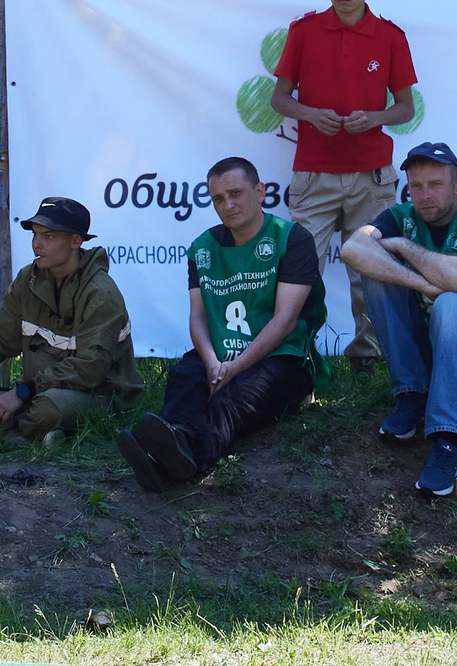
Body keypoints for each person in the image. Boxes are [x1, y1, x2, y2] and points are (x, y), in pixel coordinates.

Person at [121, 157, 326, 493]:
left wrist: (234, 368)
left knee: (231, 400)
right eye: (218, 198)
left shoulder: (292, 239)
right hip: (220, 355)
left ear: (259, 192)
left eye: (236, 193)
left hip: (280, 359)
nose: (228, 205)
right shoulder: (203, 247)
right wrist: (213, 363)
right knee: (186, 377)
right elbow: (198, 317)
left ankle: (187, 460)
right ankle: (174, 443)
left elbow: (285, 320)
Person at [270, 0, 417, 371]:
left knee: (370, 271)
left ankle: (367, 357)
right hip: (314, 172)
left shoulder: (390, 36)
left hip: (372, 173)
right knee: (299, 268)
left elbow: (405, 108)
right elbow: (279, 99)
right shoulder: (303, 31)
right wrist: (310, 114)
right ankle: (296, 356)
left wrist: (374, 118)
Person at [341, 142, 457, 498]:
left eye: (435, 184)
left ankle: (446, 439)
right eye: (416, 186)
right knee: (375, 272)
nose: (424, 195)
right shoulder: (399, 216)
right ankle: (409, 396)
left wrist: (403, 247)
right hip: (428, 343)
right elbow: (352, 249)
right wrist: (423, 284)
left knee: (452, 301)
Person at [0, 197, 142, 449]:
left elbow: (90, 369)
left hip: (99, 395)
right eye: (35, 235)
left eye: (49, 236)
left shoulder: (100, 292)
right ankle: (41, 439)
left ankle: (12, 436)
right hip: (35, 393)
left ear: (76, 241)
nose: (37, 244)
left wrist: (22, 393)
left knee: (49, 407)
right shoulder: (27, 280)